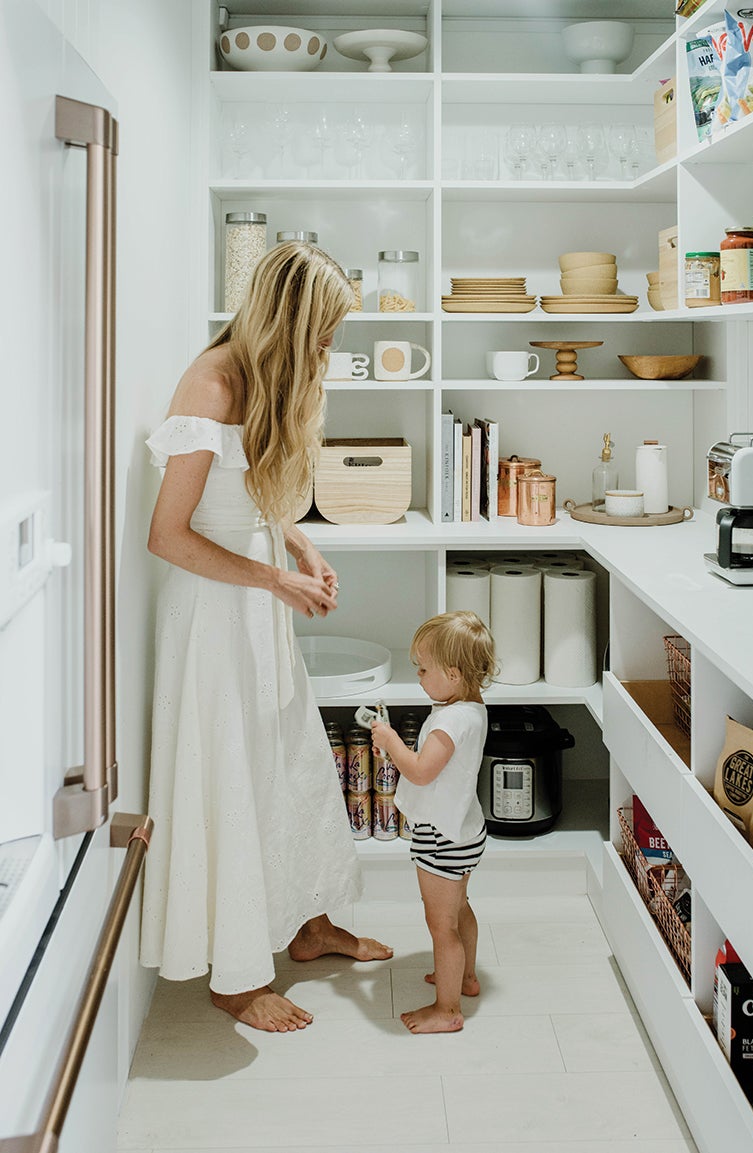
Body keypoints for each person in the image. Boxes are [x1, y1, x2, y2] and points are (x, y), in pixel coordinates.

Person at [139, 241, 391, 1033]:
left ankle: (307, 926)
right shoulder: (211, 384)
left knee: (290, 766)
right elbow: (168, 535)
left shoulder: (264, 377)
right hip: (212, 619)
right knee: (232, 779)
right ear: (287, 319)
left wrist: (301, 547)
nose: (327, 349)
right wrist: (276, 579)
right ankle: (234, 978)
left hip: (253, 600)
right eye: (321, 332)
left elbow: (252, 492)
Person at [371, 610, 496, 1034]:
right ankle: (465, 977)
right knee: (459, 910)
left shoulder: (449, 721)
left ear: (454, 674)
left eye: (424, 669)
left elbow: (421, 771)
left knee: (440, 925)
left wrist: (390, 742)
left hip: (441, 838)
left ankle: (447, 1009)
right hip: (463, 829)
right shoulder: (470, 709)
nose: (420, 676)